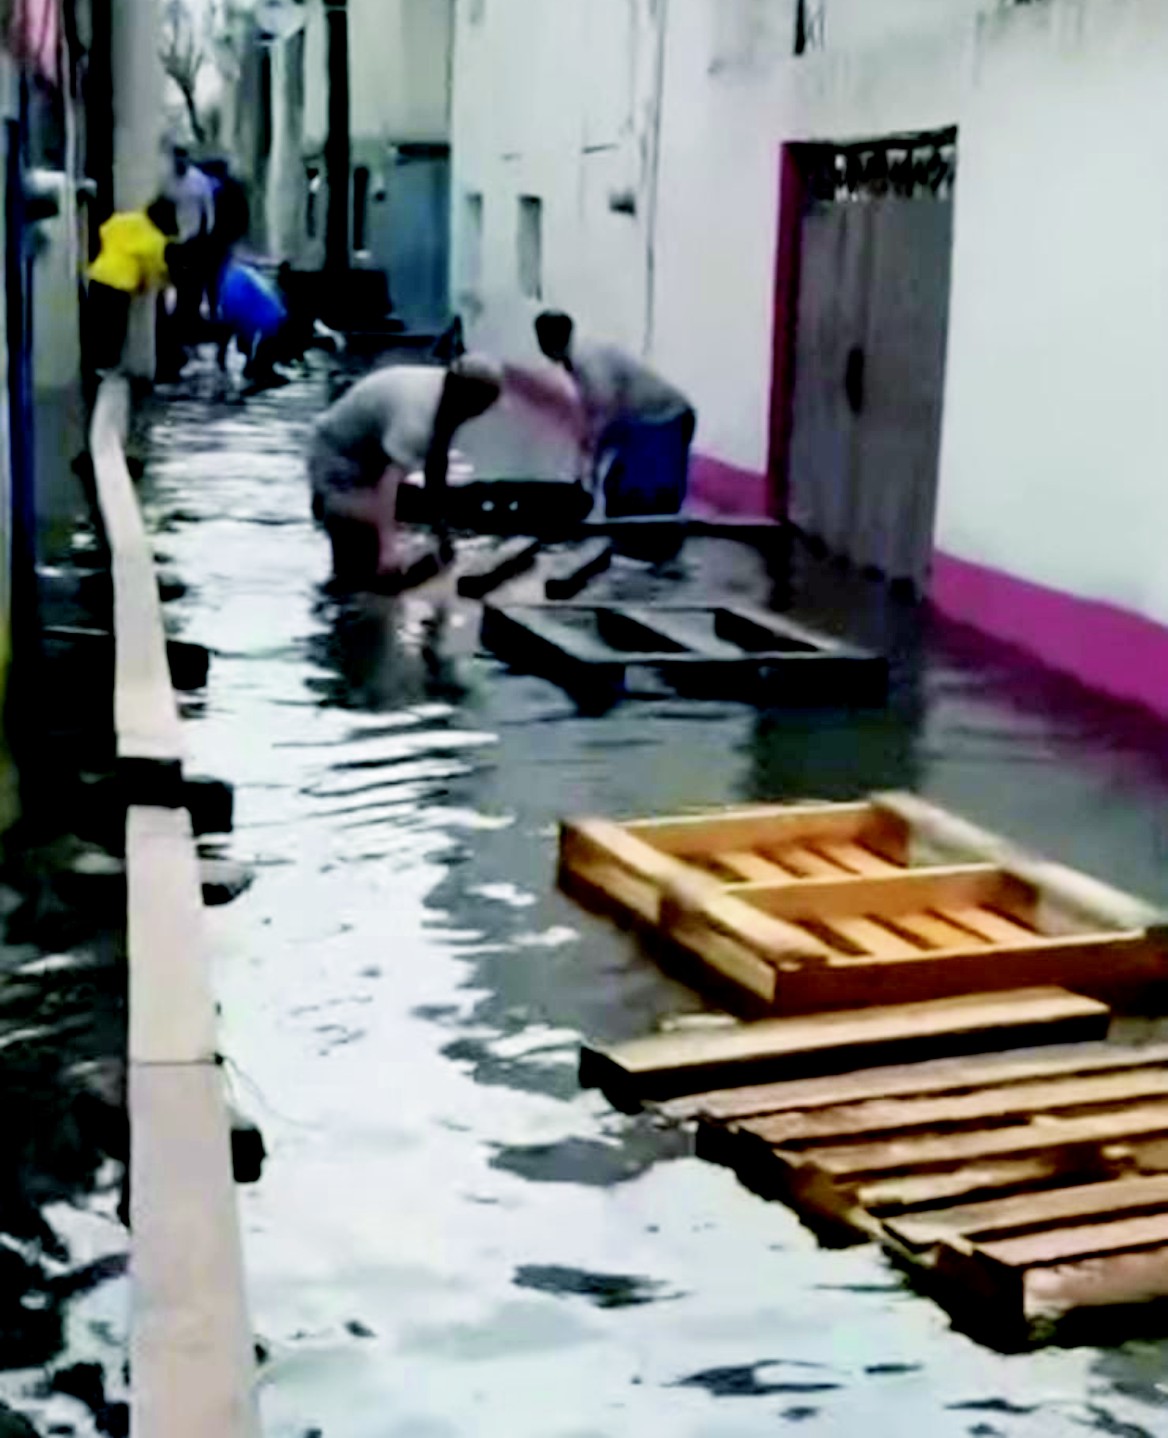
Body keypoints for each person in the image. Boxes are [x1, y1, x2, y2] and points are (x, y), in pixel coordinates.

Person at [308, 355, 503, 588]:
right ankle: (342, 598)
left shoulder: (448, 395)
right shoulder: (416, 420)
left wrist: (441, 530)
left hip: (370, 454)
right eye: (481, 407)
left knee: (373, 546)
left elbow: (436, 462)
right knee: (360, 549)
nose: (480, 414)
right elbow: (389, 482)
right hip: (337, 456)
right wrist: (388, 550)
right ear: (471, 399)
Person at [534, 309, 695, 519]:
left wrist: (593, 457)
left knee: (644, 501)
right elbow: (600, 412)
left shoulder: (586, 358)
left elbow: (607, 410)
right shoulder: (576, 358)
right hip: (644, 423)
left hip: (664, 419)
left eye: (544, 338)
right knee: (621, 493)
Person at [85, 197, 178, 378]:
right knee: (114, 329)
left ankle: (92, 364)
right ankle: (107, 366)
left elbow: (104, 229)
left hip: (98, 275)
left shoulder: (125, 219)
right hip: (121, 284)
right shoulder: (156, 240)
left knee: (95, 324)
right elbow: (154, 270)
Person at [216, 258, 289, 390]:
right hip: (248, 304)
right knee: (260, 335)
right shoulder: (274, 314)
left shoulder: (270, 308)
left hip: (237, 298)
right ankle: (259, 369)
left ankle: (252, 366)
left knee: (242, 331)